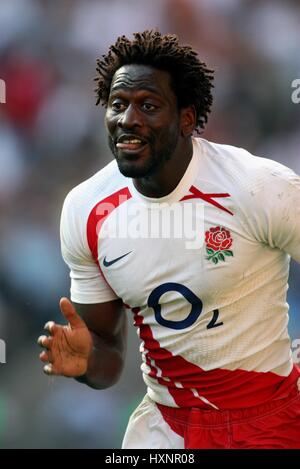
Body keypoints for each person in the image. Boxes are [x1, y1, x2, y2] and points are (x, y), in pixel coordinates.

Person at [38, 30, 300, 449]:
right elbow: (107, 359)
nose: (128, 119)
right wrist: (85, 361)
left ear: (187, 119)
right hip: (168, 431)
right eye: (118, 105)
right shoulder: (86, 210)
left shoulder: (258, 188)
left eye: (149, 106)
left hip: (274, 421)